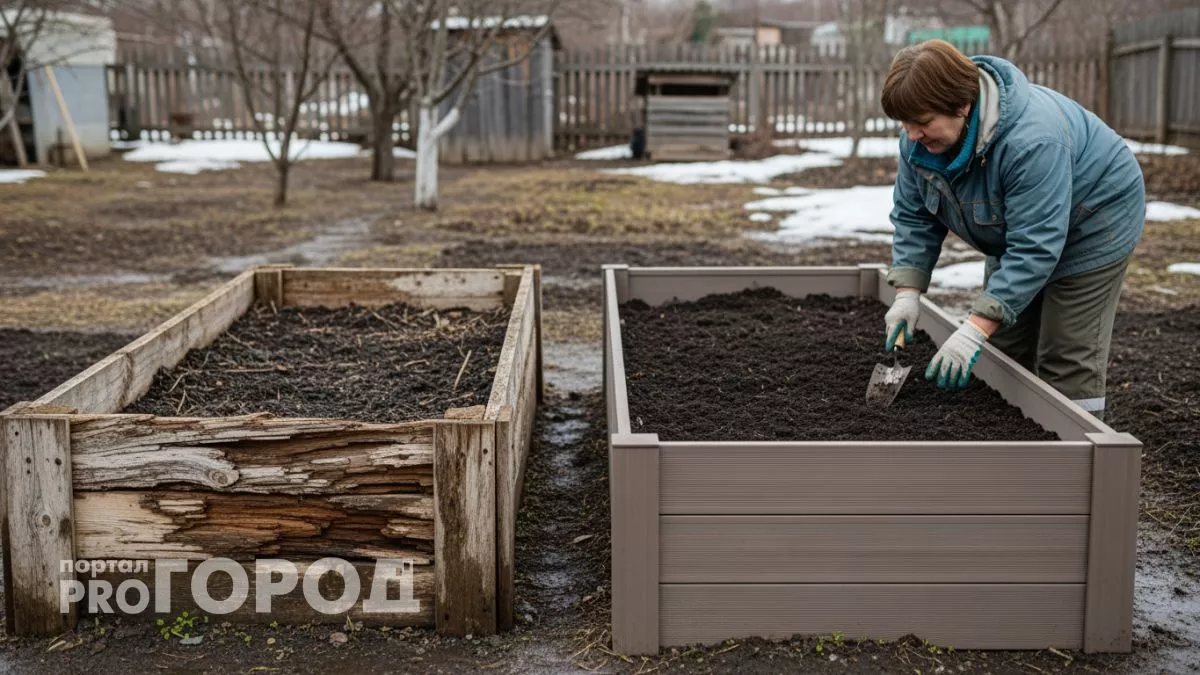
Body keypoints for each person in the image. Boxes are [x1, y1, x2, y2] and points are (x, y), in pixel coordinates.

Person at [878, 39, 1145, 420]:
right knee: (1002, 343)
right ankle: (1008, 445)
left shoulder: (1031, 141)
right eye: (906, 124)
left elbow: (1036, 248)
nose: (912, 134)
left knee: (1065, 352)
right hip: (1022, 227)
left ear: (962, 106)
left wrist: (972, 328)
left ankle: (1075, 457)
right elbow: (914, 216)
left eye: (922, 122)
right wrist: (908, 292)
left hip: (1094, 218)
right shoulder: (918, 144)